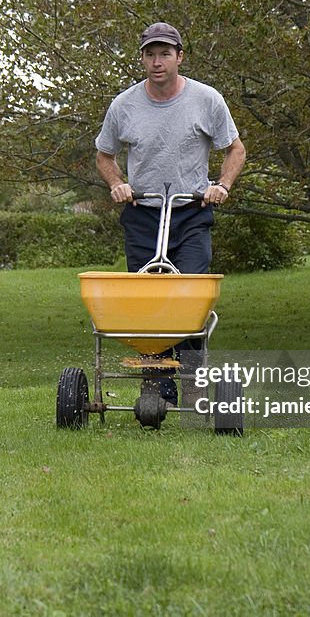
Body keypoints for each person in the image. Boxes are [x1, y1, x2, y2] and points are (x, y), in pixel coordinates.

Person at [94, 22, 245, 405]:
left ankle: (193, 373)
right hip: (142, 213)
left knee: (190, 294)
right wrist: (117, 183)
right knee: (147, 302)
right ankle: (157, 385)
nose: (157, 61)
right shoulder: (124, 105)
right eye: (150, 54)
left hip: (191, 212)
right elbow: (104, 154)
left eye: (165, 54)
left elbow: (235, 149)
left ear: (179, 57)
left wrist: (221, 186)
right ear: (142, 58)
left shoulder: (206, 100)